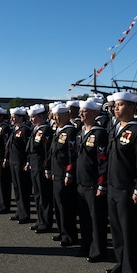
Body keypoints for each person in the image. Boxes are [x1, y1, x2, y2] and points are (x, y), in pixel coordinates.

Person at [106, 91, 137, 273]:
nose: (116, 108)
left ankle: (132, 270)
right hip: (113, 187)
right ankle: (121, 262)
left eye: (121, 105)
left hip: (128, 189)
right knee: (117, 230)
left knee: (130, 231)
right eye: (115, 105)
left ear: (133, 108)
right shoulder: (116, 127)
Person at [74, 98, 109, 262]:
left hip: (94, 183)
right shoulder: (81, 132)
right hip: (82, 181)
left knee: (96, 220)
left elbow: (103, 161)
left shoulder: (100, 133)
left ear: (94, 113)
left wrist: (102, 184)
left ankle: (98, 251)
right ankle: (85, 246)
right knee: (84, 218)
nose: (81, 113)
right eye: (81, 111)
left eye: (85, 111)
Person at [47, 103, 79, 246]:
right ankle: (62, 232)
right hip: (57, 173)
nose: (55, 119)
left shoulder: (70, 131)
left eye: (58, 116)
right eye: (54, 116)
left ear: (66, 115)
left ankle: (70, 235)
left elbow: (71, 154)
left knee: (66, 207)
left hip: (64, 174)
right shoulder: (58, 130)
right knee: (58, 205)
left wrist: (69, 173)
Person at [26, 104, 54, 233]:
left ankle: (46, 222)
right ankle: (40, 220)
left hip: (41, 166)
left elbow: (47, 151)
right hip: (34, 165)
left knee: (44, 196)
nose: (31, 119)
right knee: (37, 195)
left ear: (41, 116)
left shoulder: (46, 130)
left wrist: (47, 168)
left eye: (34, 117)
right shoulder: (36, 129)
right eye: (30, 117)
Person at [6, 107, 32, 224]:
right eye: (12, 116)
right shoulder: (15, 129)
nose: (12, 119)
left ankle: (25, 214)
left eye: (14, 117)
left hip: (21, 163)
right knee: (16, 189)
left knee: (23, 190)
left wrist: (27, 162)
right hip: (13, 162)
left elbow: (28, 148)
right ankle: (19, 211)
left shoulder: (25, 130)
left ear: (21, 117)